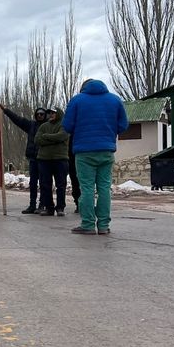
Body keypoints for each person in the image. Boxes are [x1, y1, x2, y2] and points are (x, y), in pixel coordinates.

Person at [62, 79, 129, 236]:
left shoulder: (77, 100)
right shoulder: (115, 100)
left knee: (87, 188)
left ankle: (88, 224)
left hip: (84, 152)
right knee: (104, 188)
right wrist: (109, 131)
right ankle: (104, 225)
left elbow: (67, 126)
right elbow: (123, 125)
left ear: (83, 88)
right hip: (106, 150)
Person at [0, 105, 48, 212]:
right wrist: (5, 110)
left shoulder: (48, 126)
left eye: (42, 114)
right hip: (33, 158)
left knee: (44, 182)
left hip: (44, 158)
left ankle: (42, 205)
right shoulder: (31, 125)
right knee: (33, 183)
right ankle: (32, 205)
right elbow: (18, 119)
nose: (40, 115)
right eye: (38, 114)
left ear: (45, 115)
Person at [35, 109, 70, 216]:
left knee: (61, 185)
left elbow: (62, 136)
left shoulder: (64, 125)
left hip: (60, 159)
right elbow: (37, 140)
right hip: (44, 159)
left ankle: (60, 207)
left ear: (58, 113)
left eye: (53, 113)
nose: (51, 115)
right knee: (45, 184)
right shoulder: (43, 126)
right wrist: (54, 139)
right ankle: (49, 207)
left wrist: (46, 136)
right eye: (50, 113)